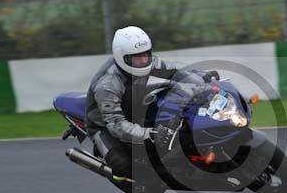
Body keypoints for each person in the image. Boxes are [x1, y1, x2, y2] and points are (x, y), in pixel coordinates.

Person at [85, 25, 217, 182]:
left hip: (135, 106)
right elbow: (116, 124)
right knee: (122, 167)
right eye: (137, 58)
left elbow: (177, 72)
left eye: (146, 54)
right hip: (104, 124)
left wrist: (201, 79)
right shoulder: (108, 84)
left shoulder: (149, 62)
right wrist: (150, 134)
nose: (143, 61)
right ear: (122, 57)